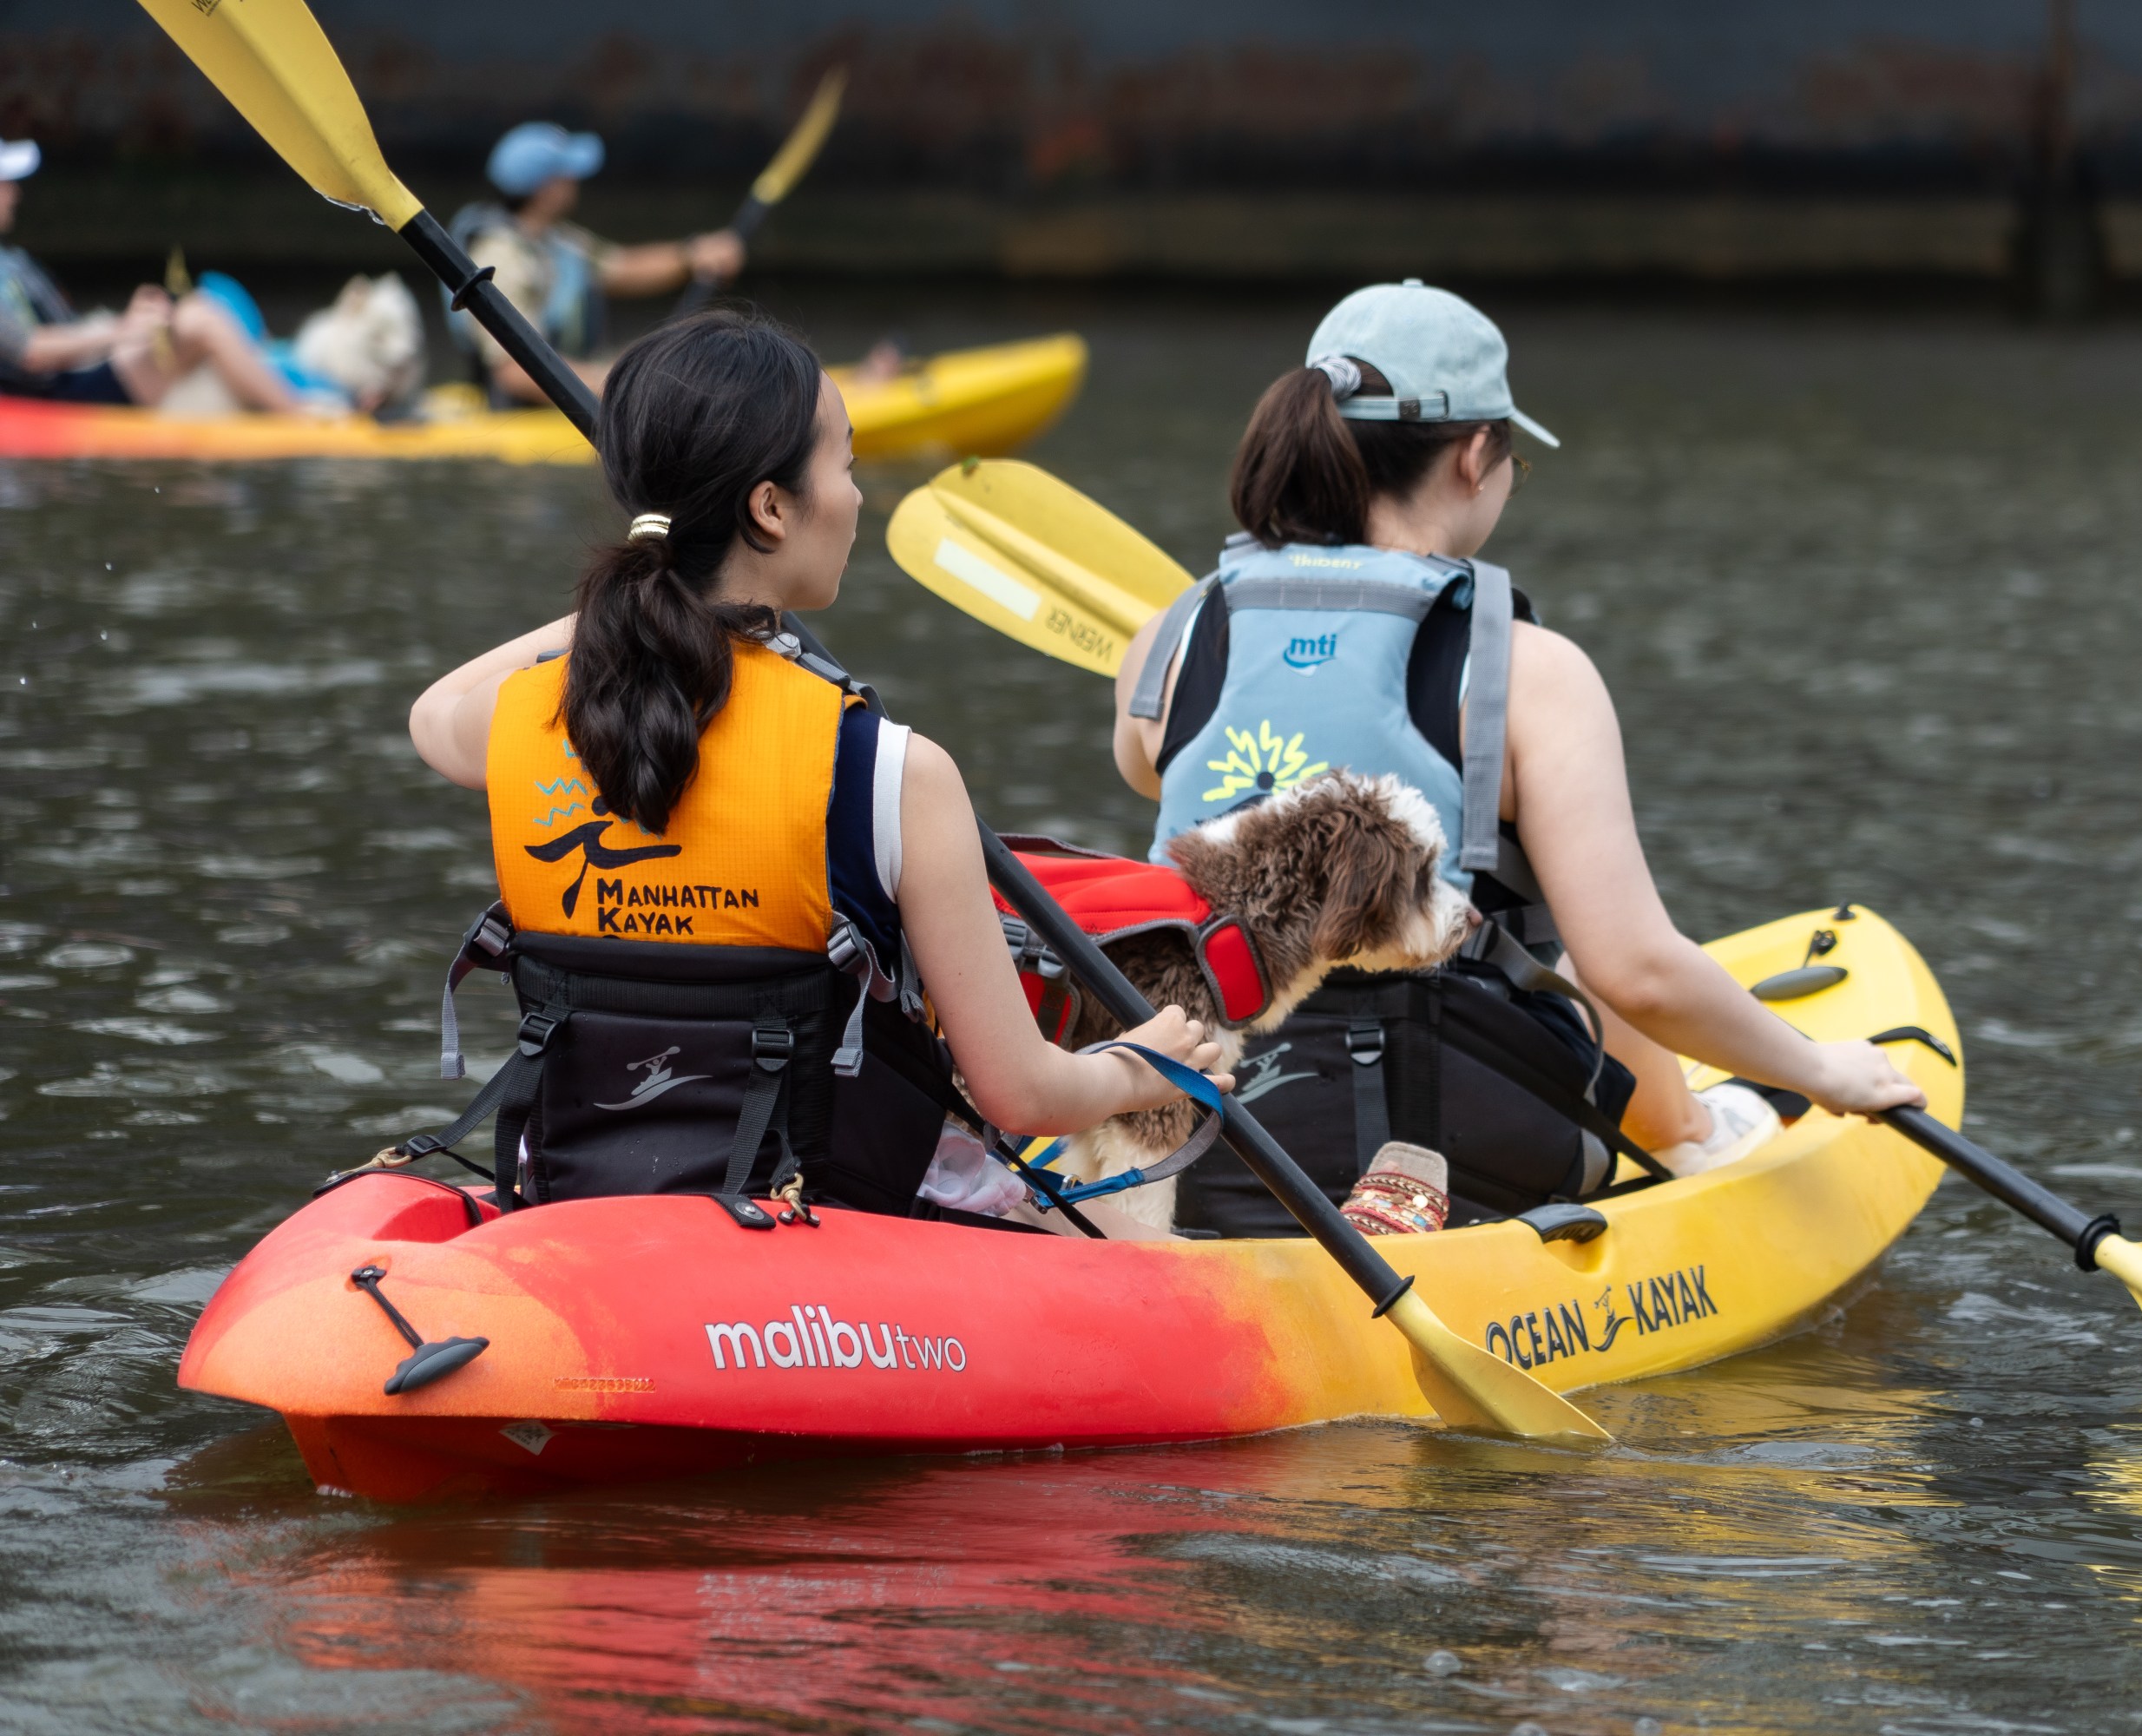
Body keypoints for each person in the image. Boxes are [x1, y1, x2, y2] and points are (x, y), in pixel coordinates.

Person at [1111, 279, 1925, 1233]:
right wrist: (1821, 1068)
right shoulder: (1528, 671)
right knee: (1570, 939)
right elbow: (1639, 972)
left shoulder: (1172, 638)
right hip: (1450, 1134)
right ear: (1476, 455)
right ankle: (1695, 1130)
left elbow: (1147, 770)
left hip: (1202, 1131)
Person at [407, 309, 1221, 1226]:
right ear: (770, 506)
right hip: (810, 1235)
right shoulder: (892, 769)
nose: (857, 496)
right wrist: (1147, 1062)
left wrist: (643, 590)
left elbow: (432, 710)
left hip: (581, 1196)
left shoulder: (529, 717)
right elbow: (1021, 1095)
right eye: (845, 466)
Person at [450, 122, 747, 406]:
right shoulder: (501, 257)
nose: (576, 182)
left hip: (568, 394)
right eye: (567, 175)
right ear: (547, 189)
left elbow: (623, 269)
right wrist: (615, 384)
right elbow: (510, 372)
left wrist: (694, 255)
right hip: (521, 411)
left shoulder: (557, 240)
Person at [0, 138, 301, 412]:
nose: (15, 192)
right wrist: (121, 329)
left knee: (191, 312)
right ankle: (300, 419)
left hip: (71, 376)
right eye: (5, 183)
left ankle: (284, 405)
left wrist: (130, 325)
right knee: (201, 321)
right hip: (53, 397)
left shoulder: (14, 261)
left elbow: (65, 329)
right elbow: (31, 353)